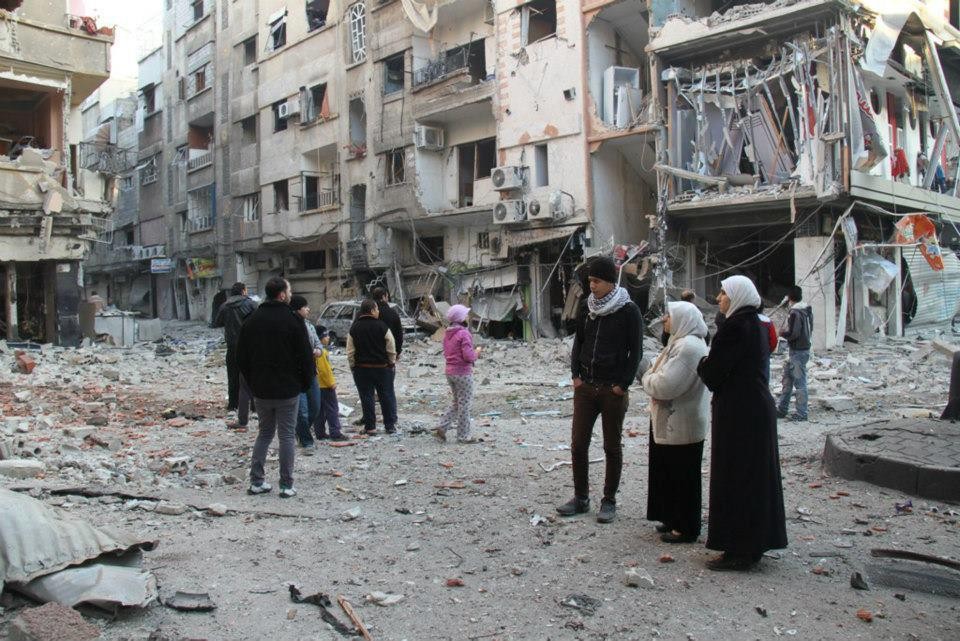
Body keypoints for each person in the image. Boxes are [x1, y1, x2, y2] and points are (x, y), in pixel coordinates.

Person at [697, 275, 787, 571]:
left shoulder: (734, 326)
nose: (719, 298)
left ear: (736, 296)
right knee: (756, 478)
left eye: (723, 293)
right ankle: (754, 544)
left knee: (735, 477)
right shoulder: (759, 324)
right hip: (757, 408)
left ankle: (737, 548)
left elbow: (712, 374)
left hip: (739, 411)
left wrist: (702, 364)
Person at [557, 256, 642, 524]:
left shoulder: (628, 310)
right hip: (586, 387)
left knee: (611, 447)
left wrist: (622, 386)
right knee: (578, 445)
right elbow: (579, 342)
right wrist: (575, 376)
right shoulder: (587, 307)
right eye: (590, 281)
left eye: (597, 281)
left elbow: (636, 352)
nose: (592, 286)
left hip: (611, 390)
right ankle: (581, 498)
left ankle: (609, 500)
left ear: (610, 282)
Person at [237, 277, 315, 499]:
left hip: (261, 389)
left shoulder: (252, 320)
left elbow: (241, 357)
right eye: (289, 291)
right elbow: (305, 357)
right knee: (287, 436)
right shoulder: (294, 320)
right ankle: (286, 485)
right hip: (288, 389)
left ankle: (256, 481)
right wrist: (305, 383)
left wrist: (252, 383)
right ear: (282, 294)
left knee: (264, 433)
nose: (290, 294)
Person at [642, 301, 710, 544]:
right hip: (672, 420)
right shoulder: (679, 342)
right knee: (669, 471)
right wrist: (652, 376)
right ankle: (671, 518)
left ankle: (685, 526)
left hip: (682, 422)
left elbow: (665, 384)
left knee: (683, 475)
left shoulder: (689, 347)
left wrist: (646, 378)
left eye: (669, 315)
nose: (664, 319)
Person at [347, 299, 398, 435]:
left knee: (366, 397)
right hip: (382, 368)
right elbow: (391, 346)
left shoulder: (354, 328)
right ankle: (389, 426)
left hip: (361, 369)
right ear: (371, 310)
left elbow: (350, 351)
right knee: (385, 396)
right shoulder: (382, 326)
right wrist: (391, 362)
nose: (378, 311)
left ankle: (370, 427)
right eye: (376, 309)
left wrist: (352, 366)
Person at [433, 304, 482, 444]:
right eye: (466, 314)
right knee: (464, 405)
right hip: (463, 373)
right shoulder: (464, 333)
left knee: (457, 402)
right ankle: (463, 436)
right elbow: (468, 356)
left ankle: (442, 426)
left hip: (450, 372)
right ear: (461, 318)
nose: (467, 316)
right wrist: (477, 352)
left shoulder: (447, 333)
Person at [213, 282, 257, 413]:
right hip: (249, 347)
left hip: (232, 347)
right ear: (243, 291)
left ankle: (233, 404)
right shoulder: (251, 304)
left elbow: (217, 322)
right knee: (252, 376)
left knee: (233, 376)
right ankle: (254, 406)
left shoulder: (225, 306)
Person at [289, 296, 323, 454]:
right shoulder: (289, 326)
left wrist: (318, 350)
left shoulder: (309, 326)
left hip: (311, 372)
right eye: (305, 307)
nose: (308, 309)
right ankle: (306, 440)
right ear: (297, 308)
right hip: (295, 375)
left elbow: (318, 344)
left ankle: (301, 431)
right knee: (302, 410)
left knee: (315, 407)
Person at [777, 286, 813, 422]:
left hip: (797, 351)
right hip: (801, 350)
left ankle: (802, 413)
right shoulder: (806, 310)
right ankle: (782, 409)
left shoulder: (795, 313)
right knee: (787, 379)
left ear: (790, 298)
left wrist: (781, 333)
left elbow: (794, 333)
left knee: (799, 383)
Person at [314, 325, 348, 441]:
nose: (328, 337)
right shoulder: (322, 352)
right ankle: (335, 432)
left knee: (320, 410)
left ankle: (320, 432)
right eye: (326, 336)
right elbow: (324, 370)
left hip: (317, 385)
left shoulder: (314, 351)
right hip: (325, 385)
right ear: (320, 338)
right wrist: (331, 383)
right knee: (332, 408)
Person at [372, 287, 404, 360]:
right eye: (387, 297)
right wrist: (397, 351)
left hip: (370, 354)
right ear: (383, 297)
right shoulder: (392, 313)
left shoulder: (366, 313)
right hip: (388, 353)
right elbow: (399, 334)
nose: (388, 299)